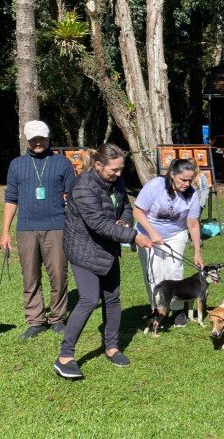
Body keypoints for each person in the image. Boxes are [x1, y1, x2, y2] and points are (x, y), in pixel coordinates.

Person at [54, 144, 153, 379]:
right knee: (88, 299)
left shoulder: (116, 181)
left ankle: (111, 347)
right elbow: (97, 223)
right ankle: (64, 357)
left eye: (121, 169)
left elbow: (126, 207)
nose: (119, 174)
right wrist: (134, 236)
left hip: (108, 247)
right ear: (98, 165)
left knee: (113, 298)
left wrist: (124, 222)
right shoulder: (82, 187)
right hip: (83, 250)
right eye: (114, 170)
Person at [0, 120, 75, 339]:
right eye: (34, 139)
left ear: (48, 137)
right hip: (27, 229)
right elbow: (11, 199)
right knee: (30, 276)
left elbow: (74, 196)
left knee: (59, 275)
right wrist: (5, 231)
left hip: (57, 227)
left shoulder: (62, 163)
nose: (38, 142)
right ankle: (35, 320)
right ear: (27, 139)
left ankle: (58, 318)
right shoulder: (16, 164)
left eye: (41, 138)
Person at [133, 158, 203, 328]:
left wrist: (197, 252)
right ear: (172, 174)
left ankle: (178, 309)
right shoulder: (155, 186)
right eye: (183, 180)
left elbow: (193, 224)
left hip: (176, 234)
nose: (187, 184)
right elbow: (138, 211)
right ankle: (157, 310)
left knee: (174, 270)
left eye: (189, 180)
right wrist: (152, 233)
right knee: (154, 272)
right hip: (148, 233)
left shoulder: (192, 193)